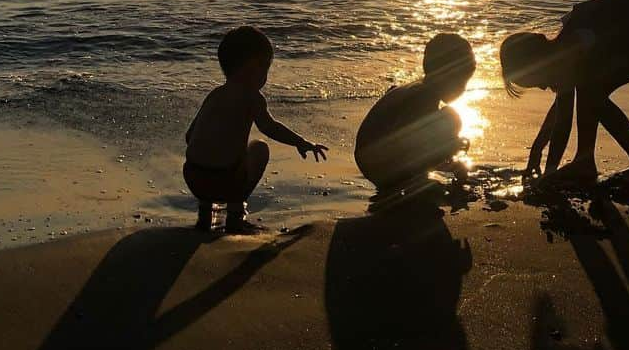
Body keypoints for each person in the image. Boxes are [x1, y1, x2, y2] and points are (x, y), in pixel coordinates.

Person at [499, 0, 629, 184]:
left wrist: (549, 172)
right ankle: (585, 161)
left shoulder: (570, 51)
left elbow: (563, 120)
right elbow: (561, 108)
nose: (544, 88)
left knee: (591, 93)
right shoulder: (563, 52)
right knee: (591, 91)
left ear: (536, 62)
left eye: (537, 83)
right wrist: (537, 149)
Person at [184, 24, 327, 234]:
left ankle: (205, 214)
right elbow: (270, 127)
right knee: (260, 148)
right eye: (265, 68)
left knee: (222, 154)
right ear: (253, 68)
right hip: (226, 182)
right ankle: (235, 215)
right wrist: (301, 142)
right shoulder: (253, 97)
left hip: (193, 178)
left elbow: (189, 136)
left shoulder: (214, 94)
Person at [354, 32, 476, 196]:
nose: (463, 89)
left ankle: (411, 179)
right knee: (450, 119)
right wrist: (450, 151)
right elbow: (408, 139)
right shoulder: (423, 96)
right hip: (382, 166)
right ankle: (410, 182)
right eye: (462, 82)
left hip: (369, 160)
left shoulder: (413, 88)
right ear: (447, 74)